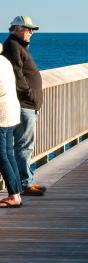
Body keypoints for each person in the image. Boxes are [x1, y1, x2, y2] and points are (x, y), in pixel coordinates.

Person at [2, 16, 46, 196]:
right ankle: (25, 183)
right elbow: (17, 75)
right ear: (18, 28)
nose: (31, 33)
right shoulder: (13, 46)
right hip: (24, 104)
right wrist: (28, 94)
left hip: (28, 103)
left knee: (24, 145)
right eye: (29, 29)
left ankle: (26, 181)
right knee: (23, 145)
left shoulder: (18, 46)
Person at [0, 43, 23, 208]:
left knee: (2, 155)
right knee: (8, 153)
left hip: (2, 115)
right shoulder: (4, 61)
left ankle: (14, 195)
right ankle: (16, 192)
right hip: (10, 112)